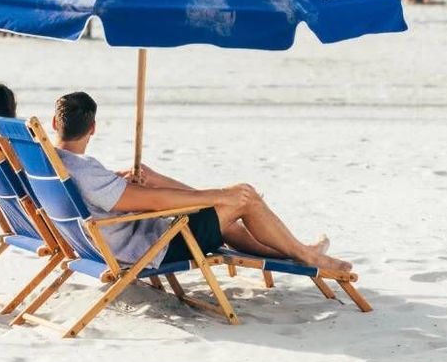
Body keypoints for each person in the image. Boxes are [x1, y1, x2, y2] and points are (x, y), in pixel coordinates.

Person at [52, 91, 353, 275]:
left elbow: (123, 197)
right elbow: (155, 203)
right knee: (245, 198)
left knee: (225, 215)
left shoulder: (50, 164)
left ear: (54, 124)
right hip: (152, 248)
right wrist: (222, 195)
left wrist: (151, 180)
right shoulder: (87, 173)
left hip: (105, 241)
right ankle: (307, 256)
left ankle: (297, 249)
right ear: (93, 128)